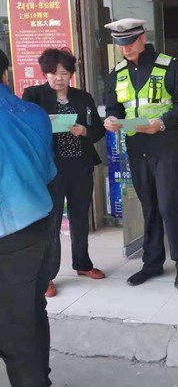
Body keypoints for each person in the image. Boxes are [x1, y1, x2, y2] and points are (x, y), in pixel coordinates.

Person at [103, 18, 178, 289]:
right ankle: (152, 263)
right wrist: (111, 119)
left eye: (130, 42)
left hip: (166, 146)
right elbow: (114, 107)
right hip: (137, 148)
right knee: (150, 207)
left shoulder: (167, 65)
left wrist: (162, 123)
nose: (125, 48)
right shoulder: (117, 73)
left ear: (142, 38)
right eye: (120, 44)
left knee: (169, 206)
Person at [23, 48, 106, 299]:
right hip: (52, 169)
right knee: (53, 222)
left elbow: (98, 130)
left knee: (81, 217)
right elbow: (26, 127)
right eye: (53, 73)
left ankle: (82, 263)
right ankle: (48, 275)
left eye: (64, 73)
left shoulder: (83, 97)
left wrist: (85, 131)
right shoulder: (34, 95)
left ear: (71, 74)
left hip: (80, 166)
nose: (58, 78)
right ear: (45, 74)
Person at [0, 48, 56, 386]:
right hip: (35, 231)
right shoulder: (34, 114)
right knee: (30, 316)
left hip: (8, 237)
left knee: (15, 331)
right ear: (5, 74)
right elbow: (46, 172)